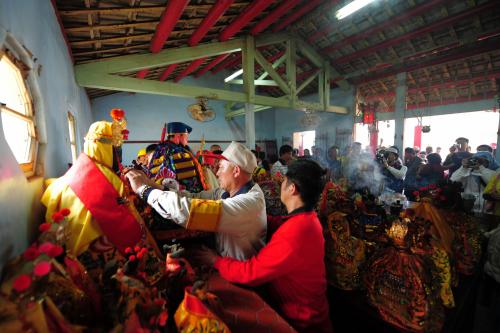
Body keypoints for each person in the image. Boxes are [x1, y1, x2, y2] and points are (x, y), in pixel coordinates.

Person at [196, 159, 332, 333]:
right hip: (312, 311)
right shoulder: (308, 219)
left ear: (292, 189)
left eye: (284, 181)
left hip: (303, 322)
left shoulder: (295, 232)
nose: (280, 184)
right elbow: (278, 224)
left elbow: (250, 273)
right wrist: (252, 215)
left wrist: (215, 261)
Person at [126, 141, 266, 260]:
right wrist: (155, 186)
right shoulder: (226, 193)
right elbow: (192, 198)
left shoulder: (248, 204)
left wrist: (143, 190)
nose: (216, 172)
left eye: (221, 167)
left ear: (236, 171)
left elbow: (191, 210)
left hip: (240, 279)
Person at [42, 115, 143, 256]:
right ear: (105, 148)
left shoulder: (73, 172)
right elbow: (120, 220)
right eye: (116, 149)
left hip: (62, 248)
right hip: (92, 249)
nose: (118, 154)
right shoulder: (109, 180)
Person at [149, 122, 207, 193]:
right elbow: (190, 180)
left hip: (159, 192)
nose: (187, 140)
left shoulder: (159, 148)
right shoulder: (177, 151)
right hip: (182, 195)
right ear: (178, 136)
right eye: (186, 136)